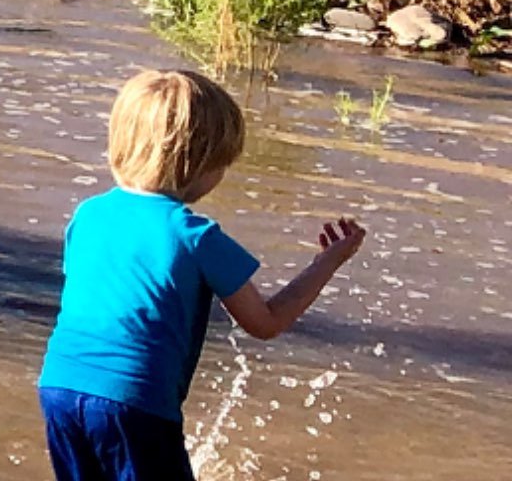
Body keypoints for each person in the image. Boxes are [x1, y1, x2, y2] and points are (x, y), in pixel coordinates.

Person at [38, 69, 367, 481]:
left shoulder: (88, 215)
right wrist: (327, 263)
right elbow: (265, 322)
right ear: (199, 164)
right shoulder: (194, 235)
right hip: (134, 400)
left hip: (60, 386)